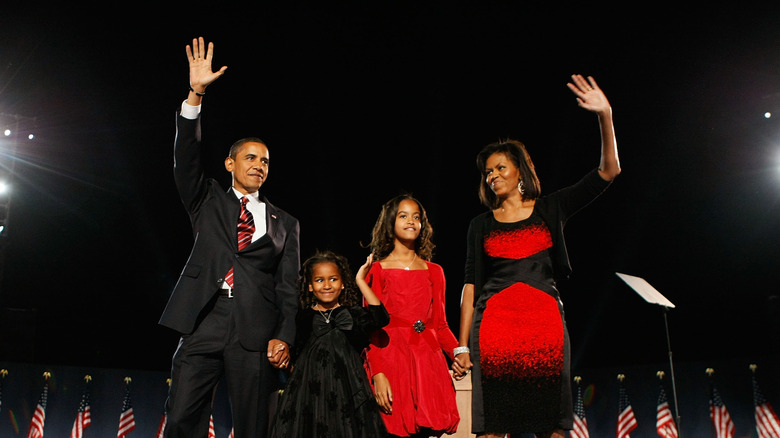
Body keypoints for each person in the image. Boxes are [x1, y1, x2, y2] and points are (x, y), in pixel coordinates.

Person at [451, 74, 621, 438]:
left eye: (500, 167)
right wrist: (461, 344)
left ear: (520, 171)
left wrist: (604, 115)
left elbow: (609, 172)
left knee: (551, 429)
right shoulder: (479, 224)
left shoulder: (550, 209)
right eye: (488, 171)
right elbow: (469, 284)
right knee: (492, 429)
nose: (493, 175)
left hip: (543, 328)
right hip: (494, 330)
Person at [158, 37, 300, 438]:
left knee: (255, 425)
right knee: (182, 416)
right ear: (230, 163)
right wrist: (195, 94)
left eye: (266, 161)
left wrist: (283, 336)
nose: (259, 165)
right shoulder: (206, 200)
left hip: (255, 330)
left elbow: (288, 289)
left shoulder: (286, 222)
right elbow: (185, 158)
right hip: (205, 318)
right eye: (251, 157)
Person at [364, 194, 460, 438]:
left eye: (416, 217)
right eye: (403, 216)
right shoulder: (377, 270)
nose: (411, 221)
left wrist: (458, 353)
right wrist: (378, 373)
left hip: (428, 361)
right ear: (390, 223)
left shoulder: (435, 271)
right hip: (392, 359)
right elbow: (370, 329)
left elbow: (440, 325)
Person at [270, 250, 390, 437]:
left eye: (333, 279)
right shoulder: (302, 318)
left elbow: (381, 318)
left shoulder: (353, 315)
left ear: (342, 284)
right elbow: (295, 356)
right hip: (308, 396)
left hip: (349, 395)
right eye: (319, 280)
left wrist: (360, 280)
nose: (327, 285)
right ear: (310, 286)